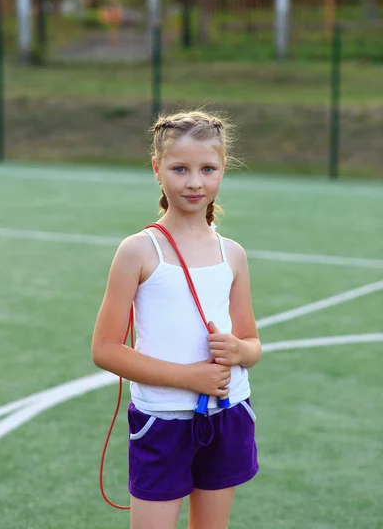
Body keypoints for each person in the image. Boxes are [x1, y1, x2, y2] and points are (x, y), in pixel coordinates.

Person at [92, 110, 261, 529]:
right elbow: (105, 349)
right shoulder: (138, 250)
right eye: (179, 168)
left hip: (228, 411)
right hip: (162, 420)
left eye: (208, 168)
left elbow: (252, 343)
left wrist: (239, 350)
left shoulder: (233, 253)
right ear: (157, 169)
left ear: (223, 170)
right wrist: (188, 378)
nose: (194, 182)